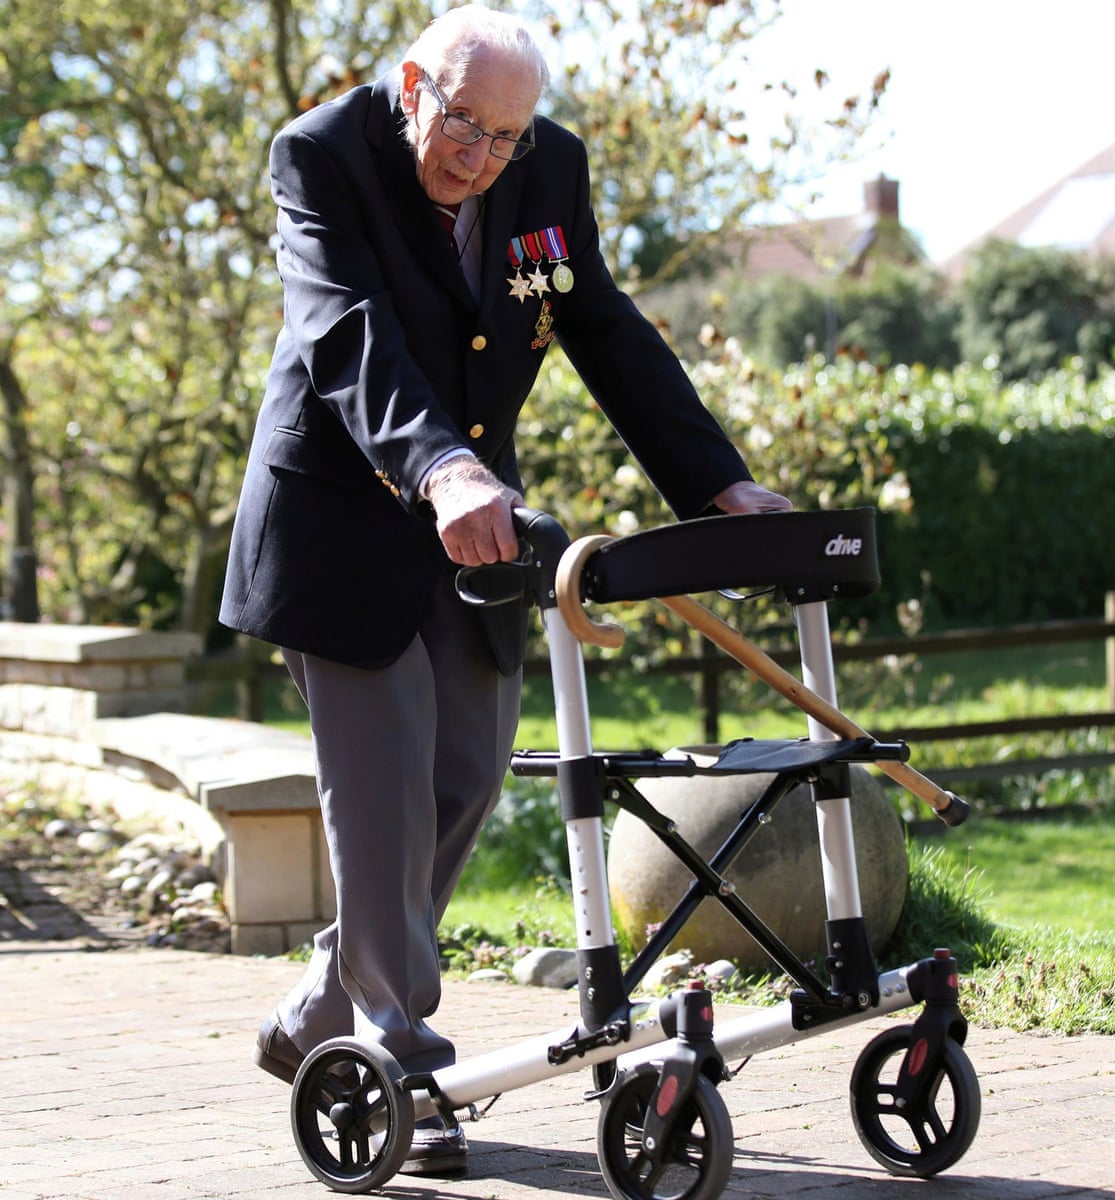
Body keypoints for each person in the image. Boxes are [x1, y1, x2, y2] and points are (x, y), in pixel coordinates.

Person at [219, 3, 790, 1176]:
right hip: (344, 518)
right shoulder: (322, 154)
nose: (479, 159)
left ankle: (323, 1008)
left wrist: (718, 483)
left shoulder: (550, 166)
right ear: (411, 84)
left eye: (505, 139)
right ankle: (402, 1054)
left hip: (481, 534)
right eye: (462, 126)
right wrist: (439, 465)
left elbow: (600, 324)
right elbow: (345, 331)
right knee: (380, 802)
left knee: (468, 780)